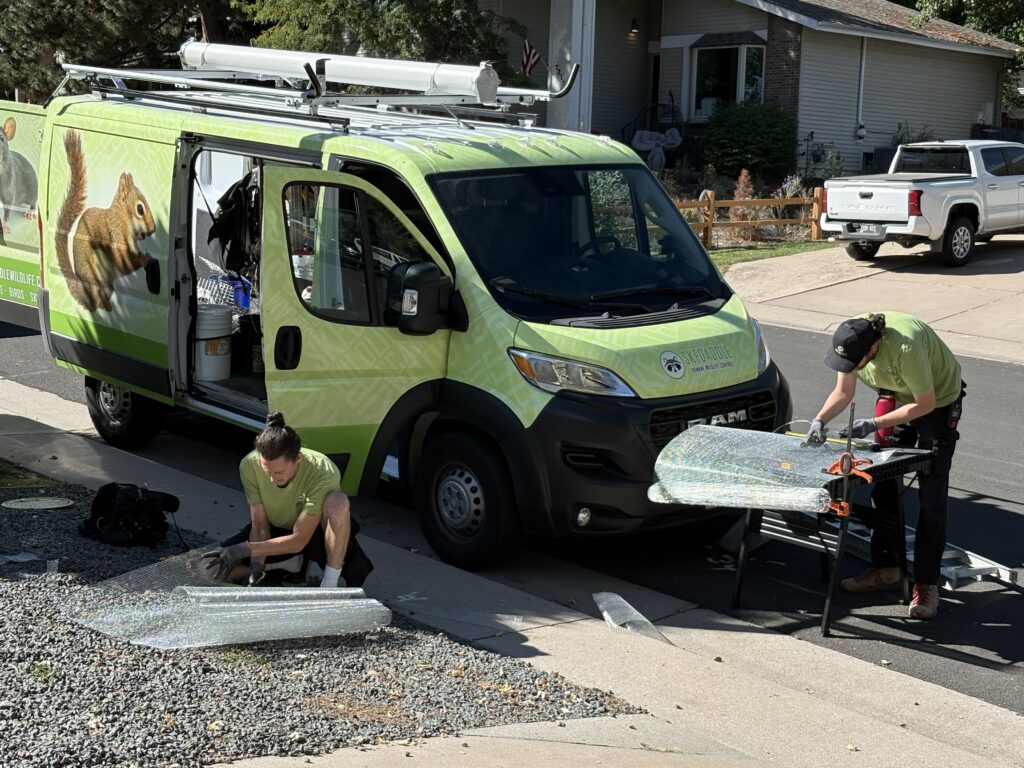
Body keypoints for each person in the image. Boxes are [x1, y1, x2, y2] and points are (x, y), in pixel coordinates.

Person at [806, 312, 965, 620]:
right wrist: (819, 420)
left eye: (855, 363)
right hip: (897, 396)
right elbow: (843, 392)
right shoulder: (853, 342)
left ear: (873, 348)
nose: (850, 368)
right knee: (882, 479)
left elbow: (925, 403)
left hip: (936, 401)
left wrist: (874, 423)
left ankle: (926, 584)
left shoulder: (906, 348)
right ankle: (887, 568)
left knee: (930, 496)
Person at [201, 411, 373, 588]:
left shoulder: (323, 471)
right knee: (208, 570)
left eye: (279, 473)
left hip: (314, 534)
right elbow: (260, 526)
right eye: (267, 472)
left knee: (338, 502)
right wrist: (256, 565)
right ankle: (284, 564)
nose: (272, 480)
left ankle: (330, 582)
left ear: (297, 458)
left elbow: (298, 540)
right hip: (274, 530)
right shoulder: (249, 465)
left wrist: (243, 549)